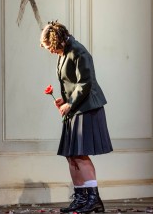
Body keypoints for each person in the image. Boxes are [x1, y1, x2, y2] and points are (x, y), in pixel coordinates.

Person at [40, 21, 113, 213]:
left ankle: (93, 199)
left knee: (80, 154)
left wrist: (70, 103)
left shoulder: (79, 51)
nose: (49, 51)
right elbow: (68, 83)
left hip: (87, 107)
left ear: (56, 41)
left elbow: (85, 83)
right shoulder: (63, 52)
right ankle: (81, 197)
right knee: (71, 155)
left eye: (49, 47)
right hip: (75, 108)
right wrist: (63, 100)